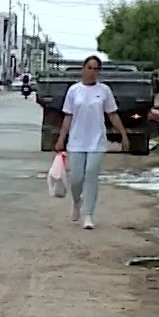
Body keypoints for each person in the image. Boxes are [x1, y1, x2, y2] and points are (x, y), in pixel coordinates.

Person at [54, 55, 131, 230]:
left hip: (96, 141)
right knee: (76, 179)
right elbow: (68, 116)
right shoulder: (74, 91)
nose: (92, 72)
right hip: (76, 141)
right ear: (83, 69)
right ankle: (76, 202)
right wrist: (61, 138)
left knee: (91, 176)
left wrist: (123, 135)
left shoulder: (104, 91)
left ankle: (88, 214)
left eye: (96, 69)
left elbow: (112, 114)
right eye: (89, 68)